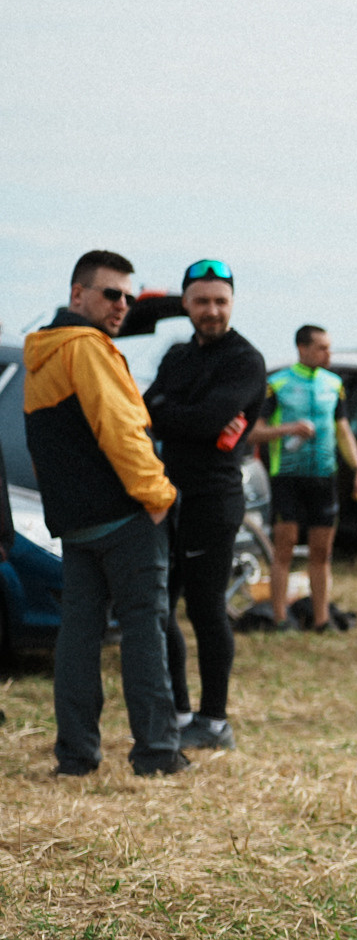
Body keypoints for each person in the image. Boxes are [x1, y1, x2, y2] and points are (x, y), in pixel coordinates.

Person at [23, 250, 185, 776]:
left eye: (129, 297)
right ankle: (157, 753)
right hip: (124, 517)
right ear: (78, 295)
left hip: (75, 524)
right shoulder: (88, 349)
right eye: (111, 293)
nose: (123, 305)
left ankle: (76, 755)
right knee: (145, 628)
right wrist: (158, 495)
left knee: (77, 635)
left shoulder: (41, 354)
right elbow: (121, 431)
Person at [143, 258, 267, 752]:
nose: (211, 310)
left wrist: (173, 413)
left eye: (220, 301)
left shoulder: (246, 360)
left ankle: (215, 722)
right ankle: (180, 710)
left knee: (206, 609)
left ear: (232, 303)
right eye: (201, 301)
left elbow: (206, 420)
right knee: (160, 606)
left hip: (213, 500)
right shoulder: (176, 355)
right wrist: (180, 415)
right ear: (186, 304)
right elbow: (149, 409)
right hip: (167, 495)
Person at [258, 325, 357, 630]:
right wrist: (287, 429)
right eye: (321, 348)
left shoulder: (334, 384)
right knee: (285, 547)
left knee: (322, 552)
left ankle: (321, 619)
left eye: (329, 347)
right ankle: (279, 618)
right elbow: (254, 431)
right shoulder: (277, 384)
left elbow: (344, 431)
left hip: (324, 477)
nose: (328, 354)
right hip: (288, 477)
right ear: (302, 348)